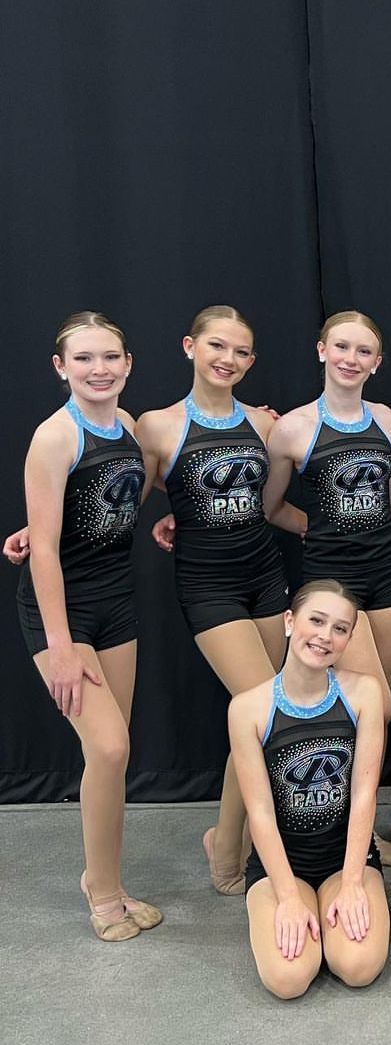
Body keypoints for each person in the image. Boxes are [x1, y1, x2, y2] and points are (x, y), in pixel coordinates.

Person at [17, 312, 162, 940]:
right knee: (108, 746)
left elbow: (121, 494)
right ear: (61, 367)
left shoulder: (128, 426)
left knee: (109, 756)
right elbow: (46, 554)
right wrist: (60, 646)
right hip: (62, 613)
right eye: (84, 359)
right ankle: (103, 895)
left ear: (128, 363)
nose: (98, 370)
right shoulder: (54, 438)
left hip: (116, 603)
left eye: (110, 358)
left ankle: (108, 878)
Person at [137, 306, 290, 894]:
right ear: (189, 346)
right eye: (216, 346)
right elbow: (126, 483)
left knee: (274, 709)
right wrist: (178, 505)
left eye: (241, 352)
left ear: (251, 362)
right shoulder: (158, 425)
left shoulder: (264, 424)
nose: (227, 359)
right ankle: (227, 855)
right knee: (261, 709)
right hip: (208, 586)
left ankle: (231, 836)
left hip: (266, 576)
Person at [230, 580, 389, 998]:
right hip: (282, 864)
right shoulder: (248, 708)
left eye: (340, 628)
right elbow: (260, 812)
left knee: (359, 966)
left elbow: (364, 795)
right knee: (288, 979)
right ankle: (298, 901)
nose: (325, 636)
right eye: (316, 621)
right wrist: (287, 897)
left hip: (345, 860)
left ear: (349, 638)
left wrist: (353, 881)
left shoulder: (364, 694)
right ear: (288, 621)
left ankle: (337, 902)